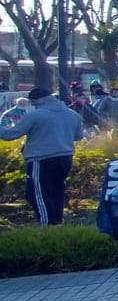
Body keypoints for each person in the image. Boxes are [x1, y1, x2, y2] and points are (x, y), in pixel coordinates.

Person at [0, 87, 84, 225]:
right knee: (57, 190)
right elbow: (79, 136)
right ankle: (57, 222)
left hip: (41, 158)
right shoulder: (72, 114)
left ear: (36, 100)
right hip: (65, 158)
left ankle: (46, 225)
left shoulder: (36, 115)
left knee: (38, 193)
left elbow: (10, 134)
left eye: (33, 103)